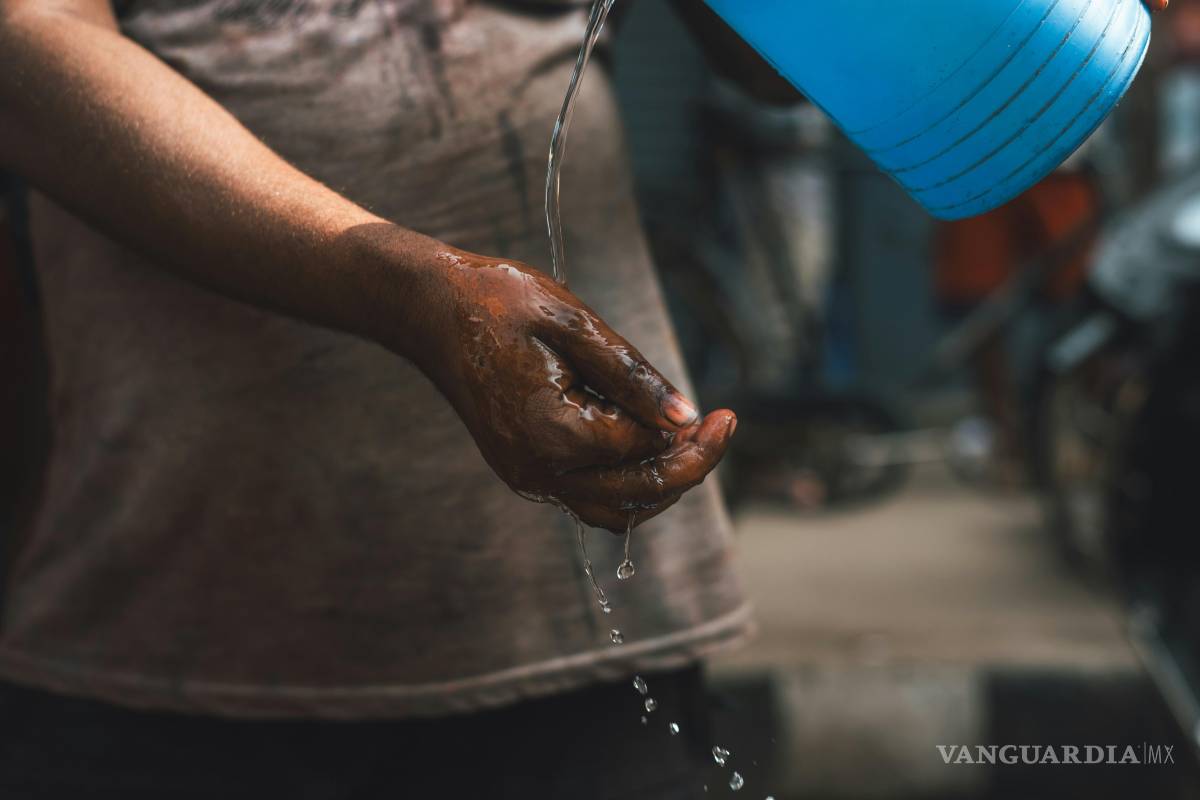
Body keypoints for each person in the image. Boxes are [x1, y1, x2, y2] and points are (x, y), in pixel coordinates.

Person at [0, 1, 755, 797]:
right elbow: (27, 41)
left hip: (594, 600)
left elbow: (779, 73)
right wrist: (406, 289)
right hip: (182, 610)